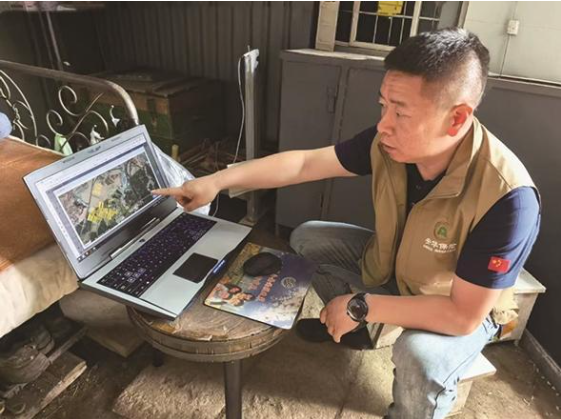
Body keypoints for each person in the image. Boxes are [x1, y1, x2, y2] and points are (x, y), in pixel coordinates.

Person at [153, 28, 540, 419]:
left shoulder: (508, 198)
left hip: (454, 302)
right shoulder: (388, 143)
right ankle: (357, 332)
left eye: (400, 112)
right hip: (393, 265)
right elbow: (304, 164)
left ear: (456, 119)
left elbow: (462, 315)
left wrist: (360, 304)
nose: (384, 124)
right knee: (308, 238)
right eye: (383, 106)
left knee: (419, 357)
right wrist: (217, 181)